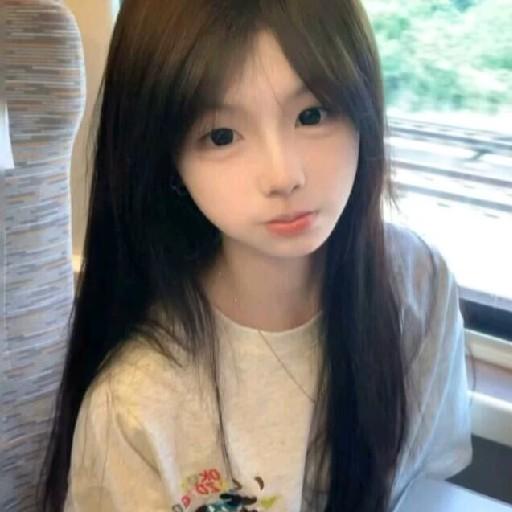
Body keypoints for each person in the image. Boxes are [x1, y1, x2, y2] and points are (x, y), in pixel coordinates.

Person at [37, 0, 473, 511]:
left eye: (312, 114)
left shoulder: (418, 284)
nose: (283, 175)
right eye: (222, 135)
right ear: (165, 158)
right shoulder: (136, 406)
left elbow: (426, 490)